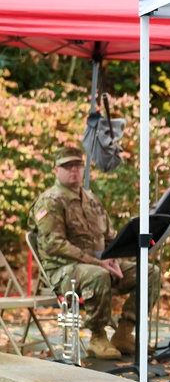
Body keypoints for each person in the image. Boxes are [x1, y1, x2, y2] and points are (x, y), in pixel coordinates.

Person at [29, 145, 161, 359]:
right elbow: (56, 245)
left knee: (150, 272)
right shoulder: (50, 201)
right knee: (97, 274)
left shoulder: (91, 200)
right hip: (62, 271)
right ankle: (98, 337)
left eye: (78, 165)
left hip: (98, 265)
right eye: (67, 165)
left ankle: (124, 332)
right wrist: (99, 263)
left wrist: (114, 258)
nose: (74, 170)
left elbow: (110, 237)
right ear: (56, 170)